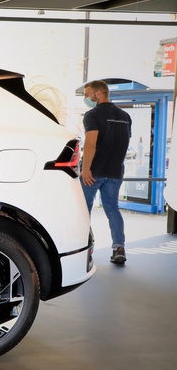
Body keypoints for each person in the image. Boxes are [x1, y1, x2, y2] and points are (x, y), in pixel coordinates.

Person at [82, 79, 133, 265]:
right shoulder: (125, 116)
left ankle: (84, 249)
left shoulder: (92, 114)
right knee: (112, 209)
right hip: (115, 171)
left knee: (83, 210)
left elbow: (91, 143)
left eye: (87, 95)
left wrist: (85, 169)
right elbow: (123, 142)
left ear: (98, 94)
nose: (85, 98)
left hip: (94, 172)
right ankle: (119, 248)